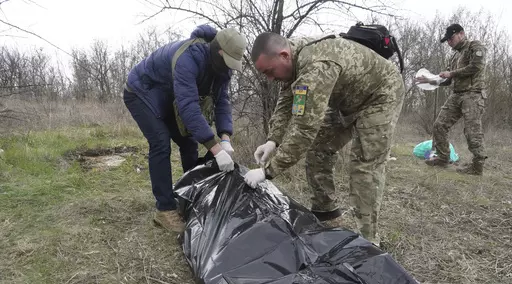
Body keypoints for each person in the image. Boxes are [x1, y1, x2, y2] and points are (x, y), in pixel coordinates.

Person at [244, 32, 404, 246]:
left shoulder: (316, 65)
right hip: (347, 101)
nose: (270, 78)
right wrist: (272, 141)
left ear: (283, 55)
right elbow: (286, 102)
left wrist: (267, 171)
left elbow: (305, 129)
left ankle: (369, 242)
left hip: (380, 96)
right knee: (319, 148)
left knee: (364, 166)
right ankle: (326, 213)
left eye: (270, 72)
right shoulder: (293, 60)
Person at [123, 25, 247, 232]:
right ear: (219, 52)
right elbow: (188, 106)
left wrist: (225, 138)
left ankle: (192, 193)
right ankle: (165, 209)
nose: (229, 67)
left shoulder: (222, 70)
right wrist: (215, 150)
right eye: (228, 62)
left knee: (188, 141)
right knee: (161, 142)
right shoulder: (188, 59)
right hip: (142, 92)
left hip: (169, 96)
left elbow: (222, 101)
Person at [416, 24, 487, 175]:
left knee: (472, 131)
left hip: (473, 93)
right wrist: (430, 80)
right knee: (439, 125)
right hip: (457, 94)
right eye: (447, 40)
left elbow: (476, 66)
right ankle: (443, 158)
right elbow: (447, 80)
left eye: (451, 38)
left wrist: (452, 73)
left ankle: (477, 166)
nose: (449, 42)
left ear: (461, 33)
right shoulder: (454, 55)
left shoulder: (474, 46)